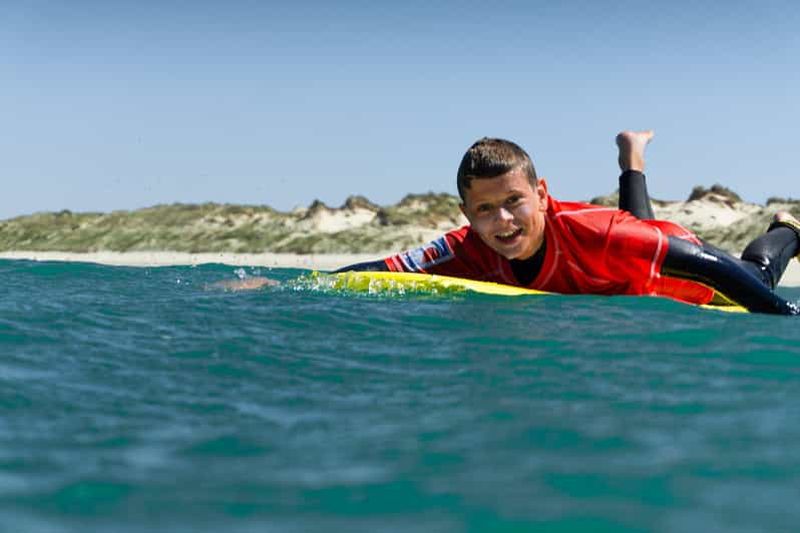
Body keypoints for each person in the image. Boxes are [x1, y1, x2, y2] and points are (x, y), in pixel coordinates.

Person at [338, 131, 800, 315]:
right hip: (621, 257)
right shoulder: (462, 248)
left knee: (755, 274)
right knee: (634, 230)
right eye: (484, 210)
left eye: (515, 202)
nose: (502, 221)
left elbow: (709, 266)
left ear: (541, 194)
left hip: (672, 260)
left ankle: (788, 229)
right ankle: (632, 156)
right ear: (466, 215)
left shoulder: (599, 233)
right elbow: (381, 269)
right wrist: (287, 285)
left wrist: (786, 314)